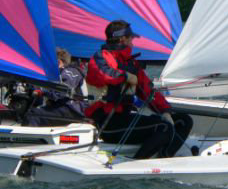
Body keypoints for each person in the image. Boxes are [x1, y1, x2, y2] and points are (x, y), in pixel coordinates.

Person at [85, 20, 193, 159]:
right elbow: (104, 74)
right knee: (163, 128)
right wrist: (125, 76)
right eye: (131, 38)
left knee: (183, 121)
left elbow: (148, 91)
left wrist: (165, 110)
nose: (133, 42)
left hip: (125, 118)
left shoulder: (132, 64)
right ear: (123, 38)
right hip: (107, 123)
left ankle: (164, 157)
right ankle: (137, 163)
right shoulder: (100, 57)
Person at [23, 48, 87, 126]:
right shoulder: (65, 73)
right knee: (39, 112)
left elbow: (61, 91)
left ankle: (29, 138)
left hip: (72, 109)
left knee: (33, 115)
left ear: (58, 62)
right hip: (68, 108)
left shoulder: (70, 72)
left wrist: (43, 92)